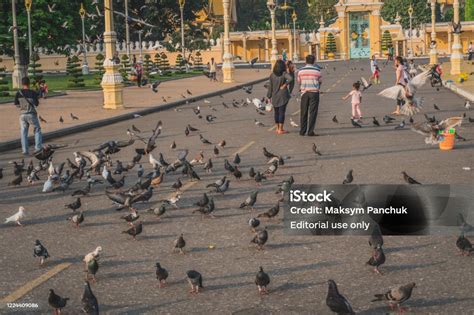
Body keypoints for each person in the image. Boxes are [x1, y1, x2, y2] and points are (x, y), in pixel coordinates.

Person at [14, 77, 43, 156]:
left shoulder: (18, 93)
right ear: (29, 84)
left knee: (23, 133)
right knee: (37, 129)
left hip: (22, 115)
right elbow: (36, 104)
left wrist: (22, 106)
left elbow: (16, 105)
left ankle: (25, 150)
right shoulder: (32, 92)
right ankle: (38, 148)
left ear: (22, 84)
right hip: (31, 114)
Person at [297, 54, 322, 136]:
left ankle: (302, 131)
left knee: (303, 112)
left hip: (304, 93)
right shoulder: (317, 71)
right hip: (314, 92)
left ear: (305, 61)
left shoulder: (300, 71)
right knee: (313, 112)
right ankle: (310, 131)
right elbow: (320, 81)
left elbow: (299, 81)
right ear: (314, 61)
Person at [267, 60, 293, 135]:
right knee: (282, 112)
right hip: (283, 96)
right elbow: (291, 79)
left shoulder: (272, 75)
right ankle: (281, 129)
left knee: (276, 112)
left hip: (275, 96)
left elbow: (270, 87)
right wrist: (285, 85)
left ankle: (277, 128)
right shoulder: (284, 74)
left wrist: (269, 96)